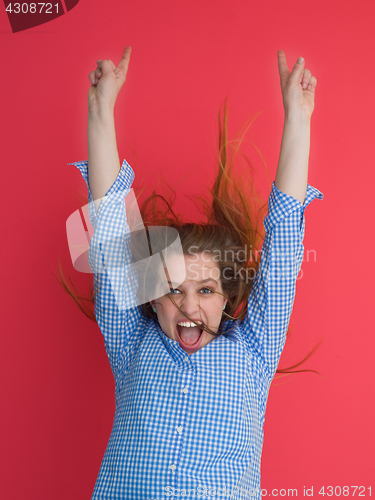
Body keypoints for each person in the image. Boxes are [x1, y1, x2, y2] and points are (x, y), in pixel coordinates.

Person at [64, 46, 324, 499]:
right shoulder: (131, 342)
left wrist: (298, 119)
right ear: (149, 295)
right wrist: (100, 107)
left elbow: (282, 247)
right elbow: (107, 226)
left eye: (205, 289)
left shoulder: (254, 350)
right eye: (172, 289)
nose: (188, 306)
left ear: (228, 297)